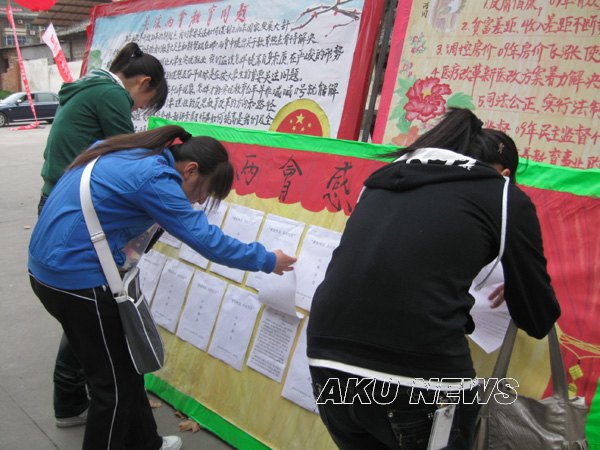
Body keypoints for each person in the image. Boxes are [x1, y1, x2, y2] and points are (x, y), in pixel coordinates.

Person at [29, 125, 297, 450]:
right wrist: (268, 259)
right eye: (204, 191)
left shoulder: (133, 152)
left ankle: (146, 443)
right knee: (113, 389)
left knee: (127, 368)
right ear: (191, 169)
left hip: (51, 268)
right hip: (77, 282)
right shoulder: (155, 178)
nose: (201, 200)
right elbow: (207, 240)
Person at [306, 108, 561, 450]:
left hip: (326, 361)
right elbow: (538, 318)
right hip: (420, 377)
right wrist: (519, 286)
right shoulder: (502, 196)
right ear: (505, 173)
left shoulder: (382, 180)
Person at [37, 42, 168, 428]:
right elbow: (129, 157)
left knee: (82, 310)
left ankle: (70, 400)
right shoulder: (112, 95)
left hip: (58, 202)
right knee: (90, 307)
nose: (138, 111)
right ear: (143, 82)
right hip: (74, 214)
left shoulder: (92, 84)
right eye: (144, 105)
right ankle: (81, 399)